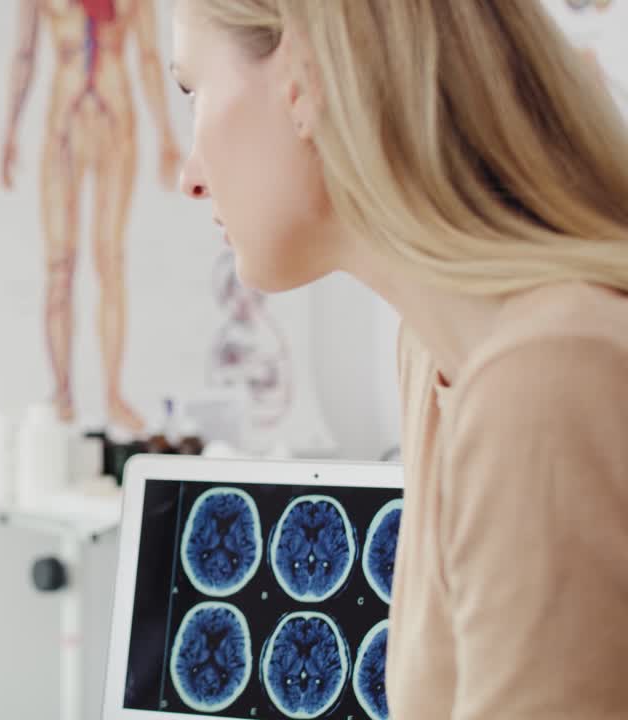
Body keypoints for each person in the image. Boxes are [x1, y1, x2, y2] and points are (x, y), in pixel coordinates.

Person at [170, 1, 628, 718]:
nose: (189, 176)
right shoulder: (436, 349)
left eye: (192, 91)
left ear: (301, 76)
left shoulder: (550, 376)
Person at [1, 0, 180, 433]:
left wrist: (166, 135)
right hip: (64, 125)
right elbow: (25, 53)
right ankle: (62, 391)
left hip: (116, 123)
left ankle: (113, 393)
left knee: (110, 261)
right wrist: (9, 130)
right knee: (60, 263)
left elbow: (150, 57)